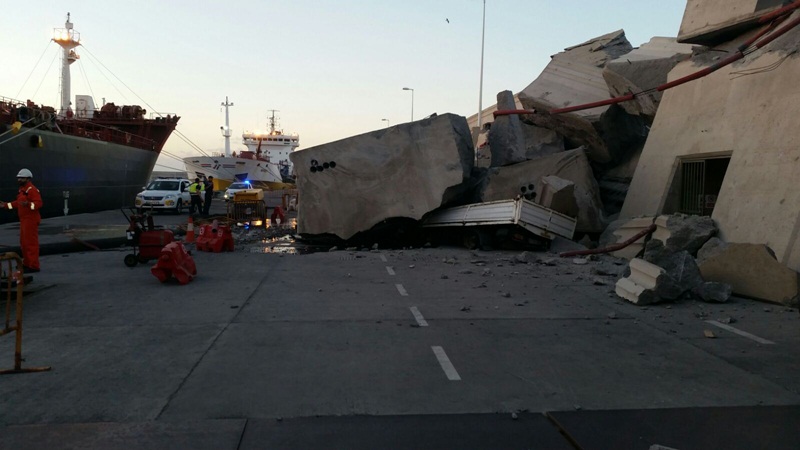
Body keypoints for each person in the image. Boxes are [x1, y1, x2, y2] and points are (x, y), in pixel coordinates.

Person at [0, 169, 43, 273]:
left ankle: (33, 266)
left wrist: (28, 204)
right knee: (24, 243)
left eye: (22, 178)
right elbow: (18, 203)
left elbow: (38, 204)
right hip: (24, 220)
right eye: (19, 178)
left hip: (30, 220)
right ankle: (27, 264)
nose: (19, 180)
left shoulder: (31, 190)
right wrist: (5, 205)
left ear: (28, 179)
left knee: (30, 244)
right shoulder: (23, 190)